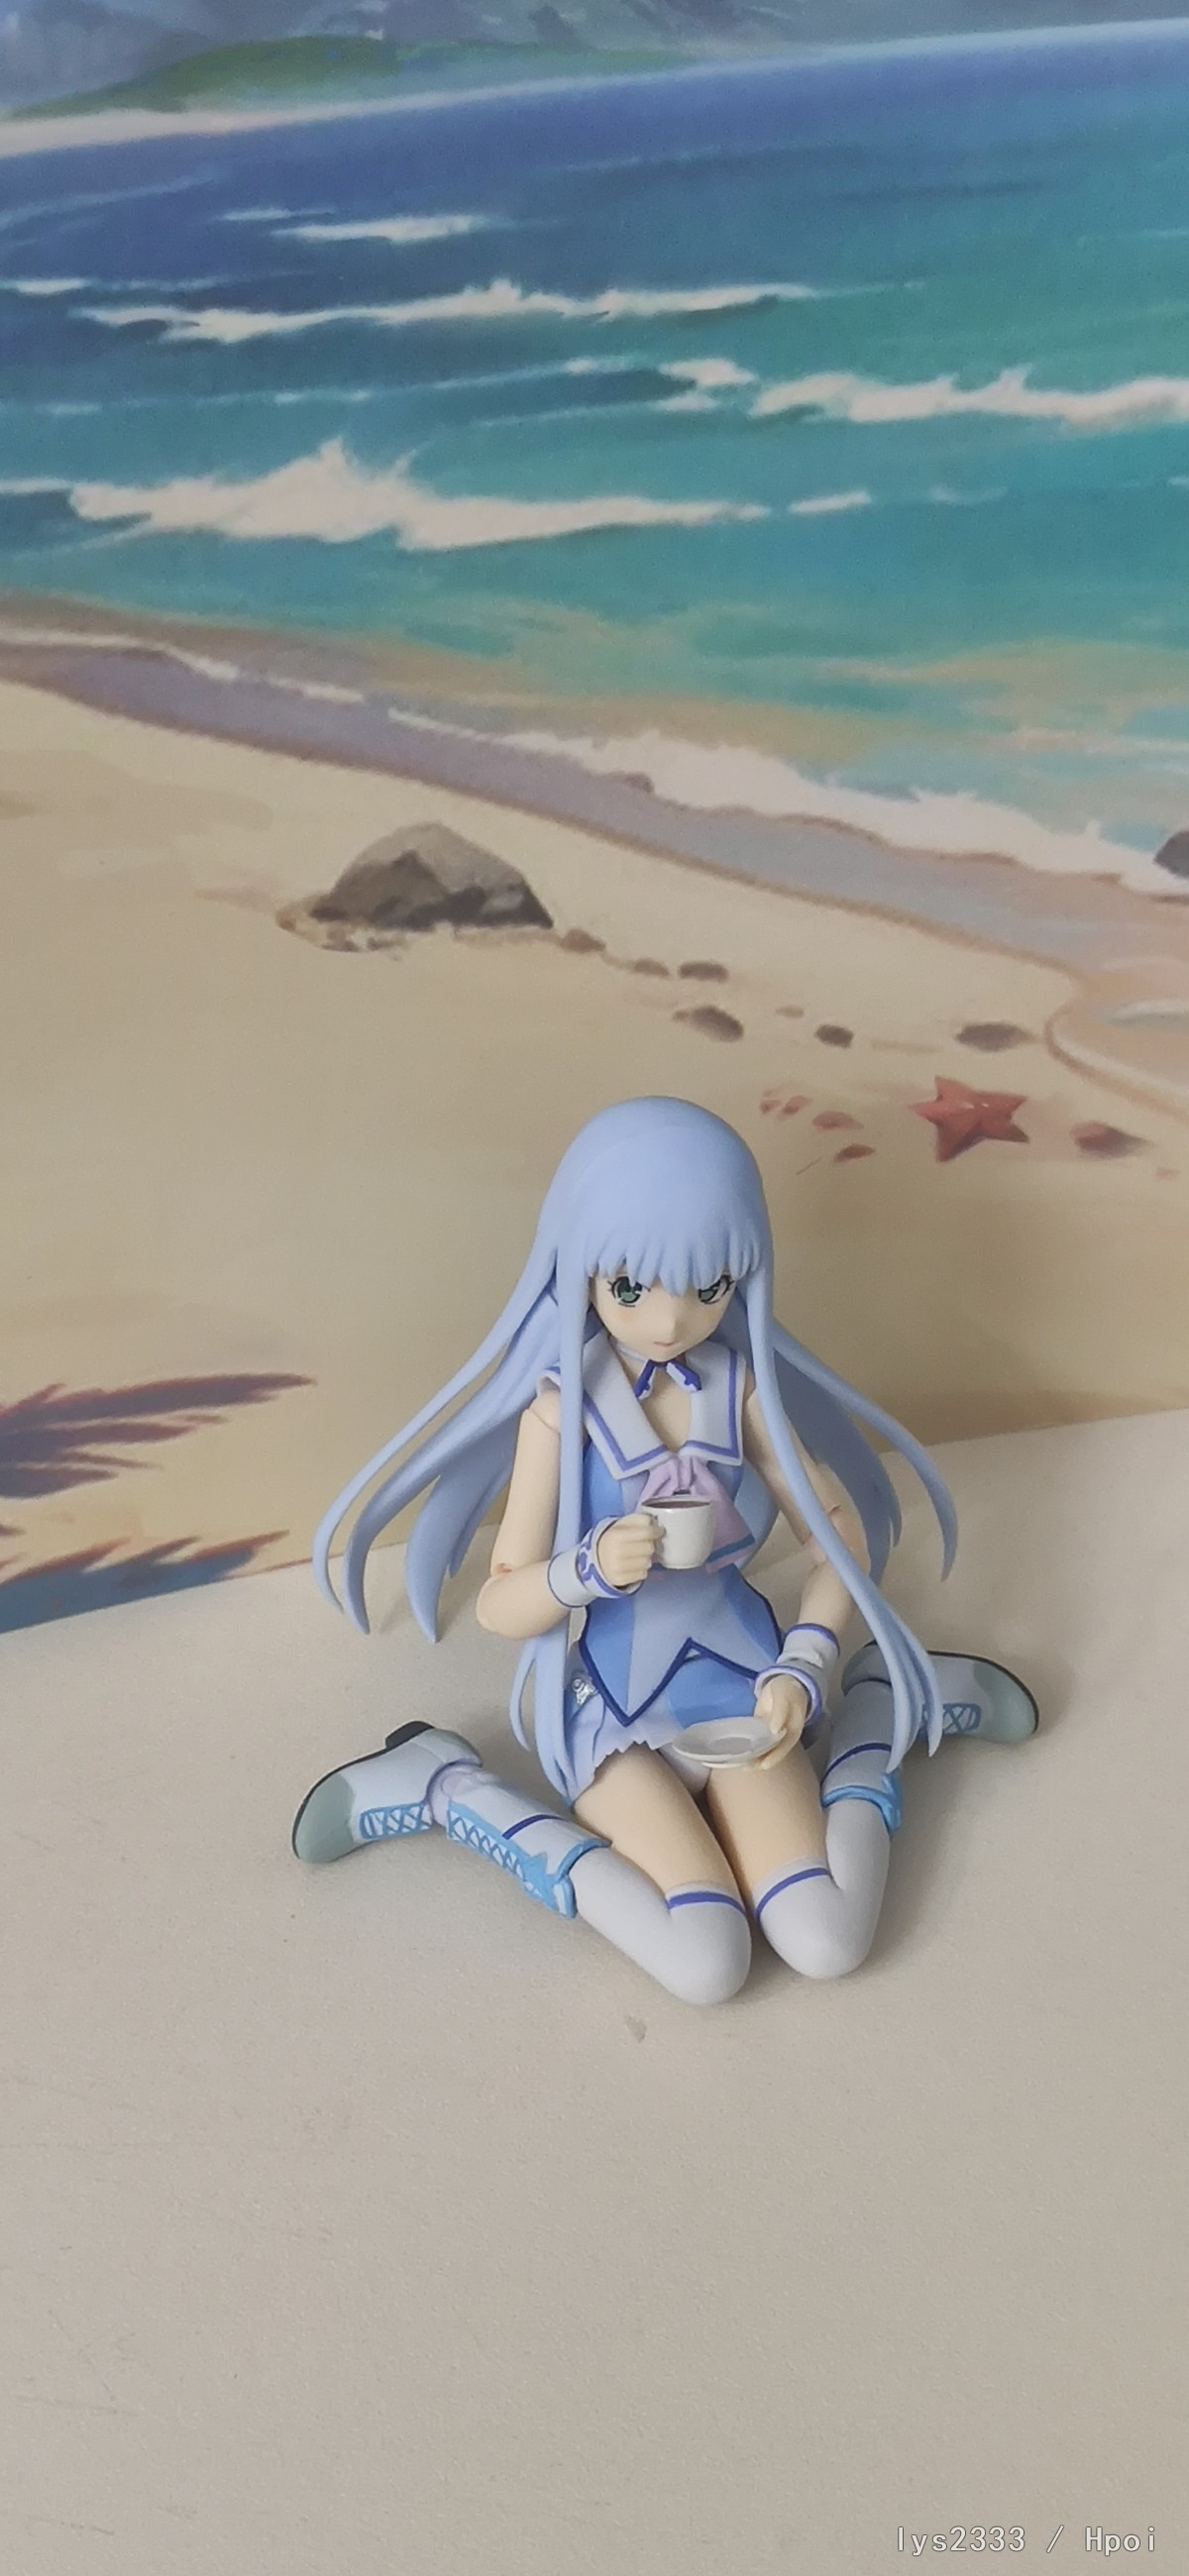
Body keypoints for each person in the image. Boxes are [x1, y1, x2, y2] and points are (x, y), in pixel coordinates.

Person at [293, 1097, 1035, 2005]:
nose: (671, 1319)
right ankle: (448, 1787)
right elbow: (500, 1602)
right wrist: (584, 1570)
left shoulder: (741, 1389)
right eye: (633, 1287)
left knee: (826, 1938)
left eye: (708, 1284)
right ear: (581, 1268)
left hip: (743, 1687)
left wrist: (806, 1663)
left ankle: (879, 1710)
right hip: (610, 1709)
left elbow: (834, 1532)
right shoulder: (560, 1412)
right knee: (705, 1961)